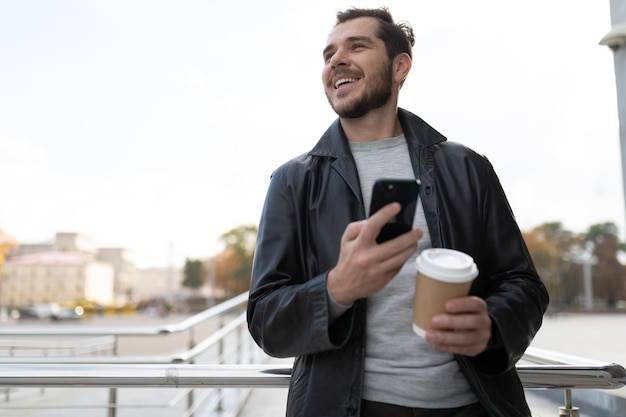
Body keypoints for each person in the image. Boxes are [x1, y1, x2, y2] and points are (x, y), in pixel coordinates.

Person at [247, 7, 549, 417]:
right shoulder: (293, 181)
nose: (336, 60)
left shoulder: (467, 167)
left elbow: (523, 285)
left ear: (400, 66)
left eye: (357, 46)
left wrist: (492, 327)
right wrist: (336, 288)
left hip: (474, 406)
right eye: (329, 53)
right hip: (349, 409)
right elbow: (266, 319)